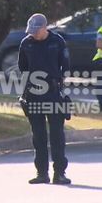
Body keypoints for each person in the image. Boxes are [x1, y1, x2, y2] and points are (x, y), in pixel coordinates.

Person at [18, 13, 71, 185]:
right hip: (33, 93)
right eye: (31, 30)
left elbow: (66, 66)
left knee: (57, 135)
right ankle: (42, 173)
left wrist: (60, 84)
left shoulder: (57, 42)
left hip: (53, 93)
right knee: (38, 136)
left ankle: (59, 173)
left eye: (36, 30)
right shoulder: (26, 43)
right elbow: (23, 68)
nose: (32, 33)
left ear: (44, 27)